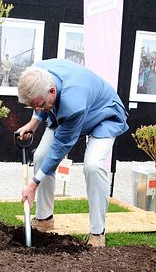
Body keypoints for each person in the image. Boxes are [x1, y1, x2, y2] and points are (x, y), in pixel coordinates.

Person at [15, 59, 129, 247]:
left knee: (93, 166)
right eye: (33, 106)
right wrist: (33, 123)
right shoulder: (37, 73)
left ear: (52, 91)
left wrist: (33, 184)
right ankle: (44, 219)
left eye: (42, 105)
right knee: (40, 156)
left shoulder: (72, 102)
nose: (40, 109)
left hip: (103, 115)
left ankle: (97, 232)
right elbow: (40, 103)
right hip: (67, 107)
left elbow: (60, 147)